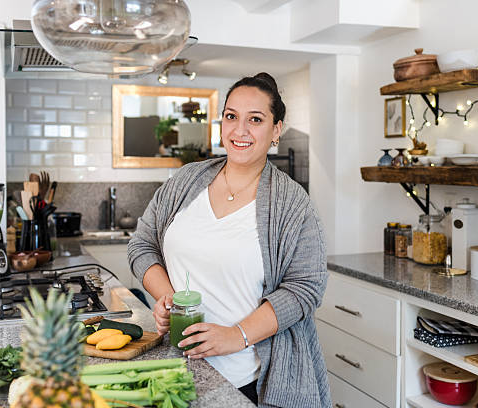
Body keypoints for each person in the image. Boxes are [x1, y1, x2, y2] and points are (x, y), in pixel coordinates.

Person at [127, 72, 331, 407]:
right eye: (232, 116)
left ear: (276, 129)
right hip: (176, 368)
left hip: (245, 379)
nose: (240, 130)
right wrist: (168, 298)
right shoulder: (185, 180)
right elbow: (142, 244)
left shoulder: (293, 204)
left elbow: (305, 288)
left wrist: (236, 336)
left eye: (255, 119)